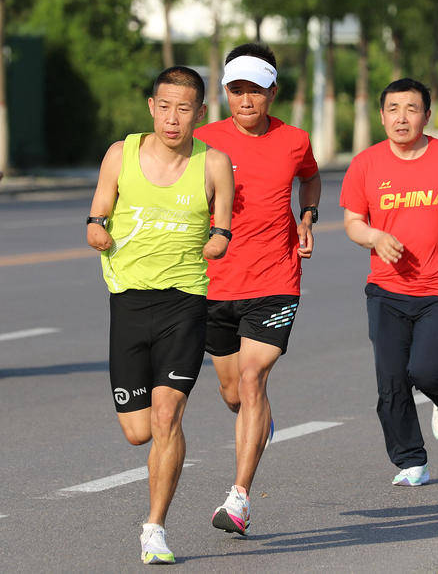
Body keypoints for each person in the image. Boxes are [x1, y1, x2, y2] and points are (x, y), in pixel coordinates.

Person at [86, 66, 234, 564]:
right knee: (139, 430)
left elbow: (224, 226)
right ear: (152, 107)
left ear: (200, 113)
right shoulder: (119, 154)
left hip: (185, 302)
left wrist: (217, 240)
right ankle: (166, 445)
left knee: (167, 414)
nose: (173, 118)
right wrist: (96, 230)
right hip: (128, 301)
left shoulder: (214, 163)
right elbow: (98, 211)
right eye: (165, 107)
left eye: (184, 108)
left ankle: (155, 528)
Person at [193, 43, 321, 535]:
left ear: (272, 92)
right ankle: (257, 421)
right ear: (226, 92)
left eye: (255, 90)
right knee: (232, 393)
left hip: (275, 278)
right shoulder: (202, 140)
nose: (245, 100)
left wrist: (308, 216)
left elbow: (310, 179)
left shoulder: (294, 139)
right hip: (214, 282)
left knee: (252, 381)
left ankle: (239, 497)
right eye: (236, 90)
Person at [341, 78, 438, 485]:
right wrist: (375, 236)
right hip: (387, 289)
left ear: (426, 115)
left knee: (425, 370)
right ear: (382, 115)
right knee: (390, 380)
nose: (401, 117)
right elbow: (353, 221)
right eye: (393, 109)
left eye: (411, 109)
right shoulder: (366, 163)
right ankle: (411, 460)